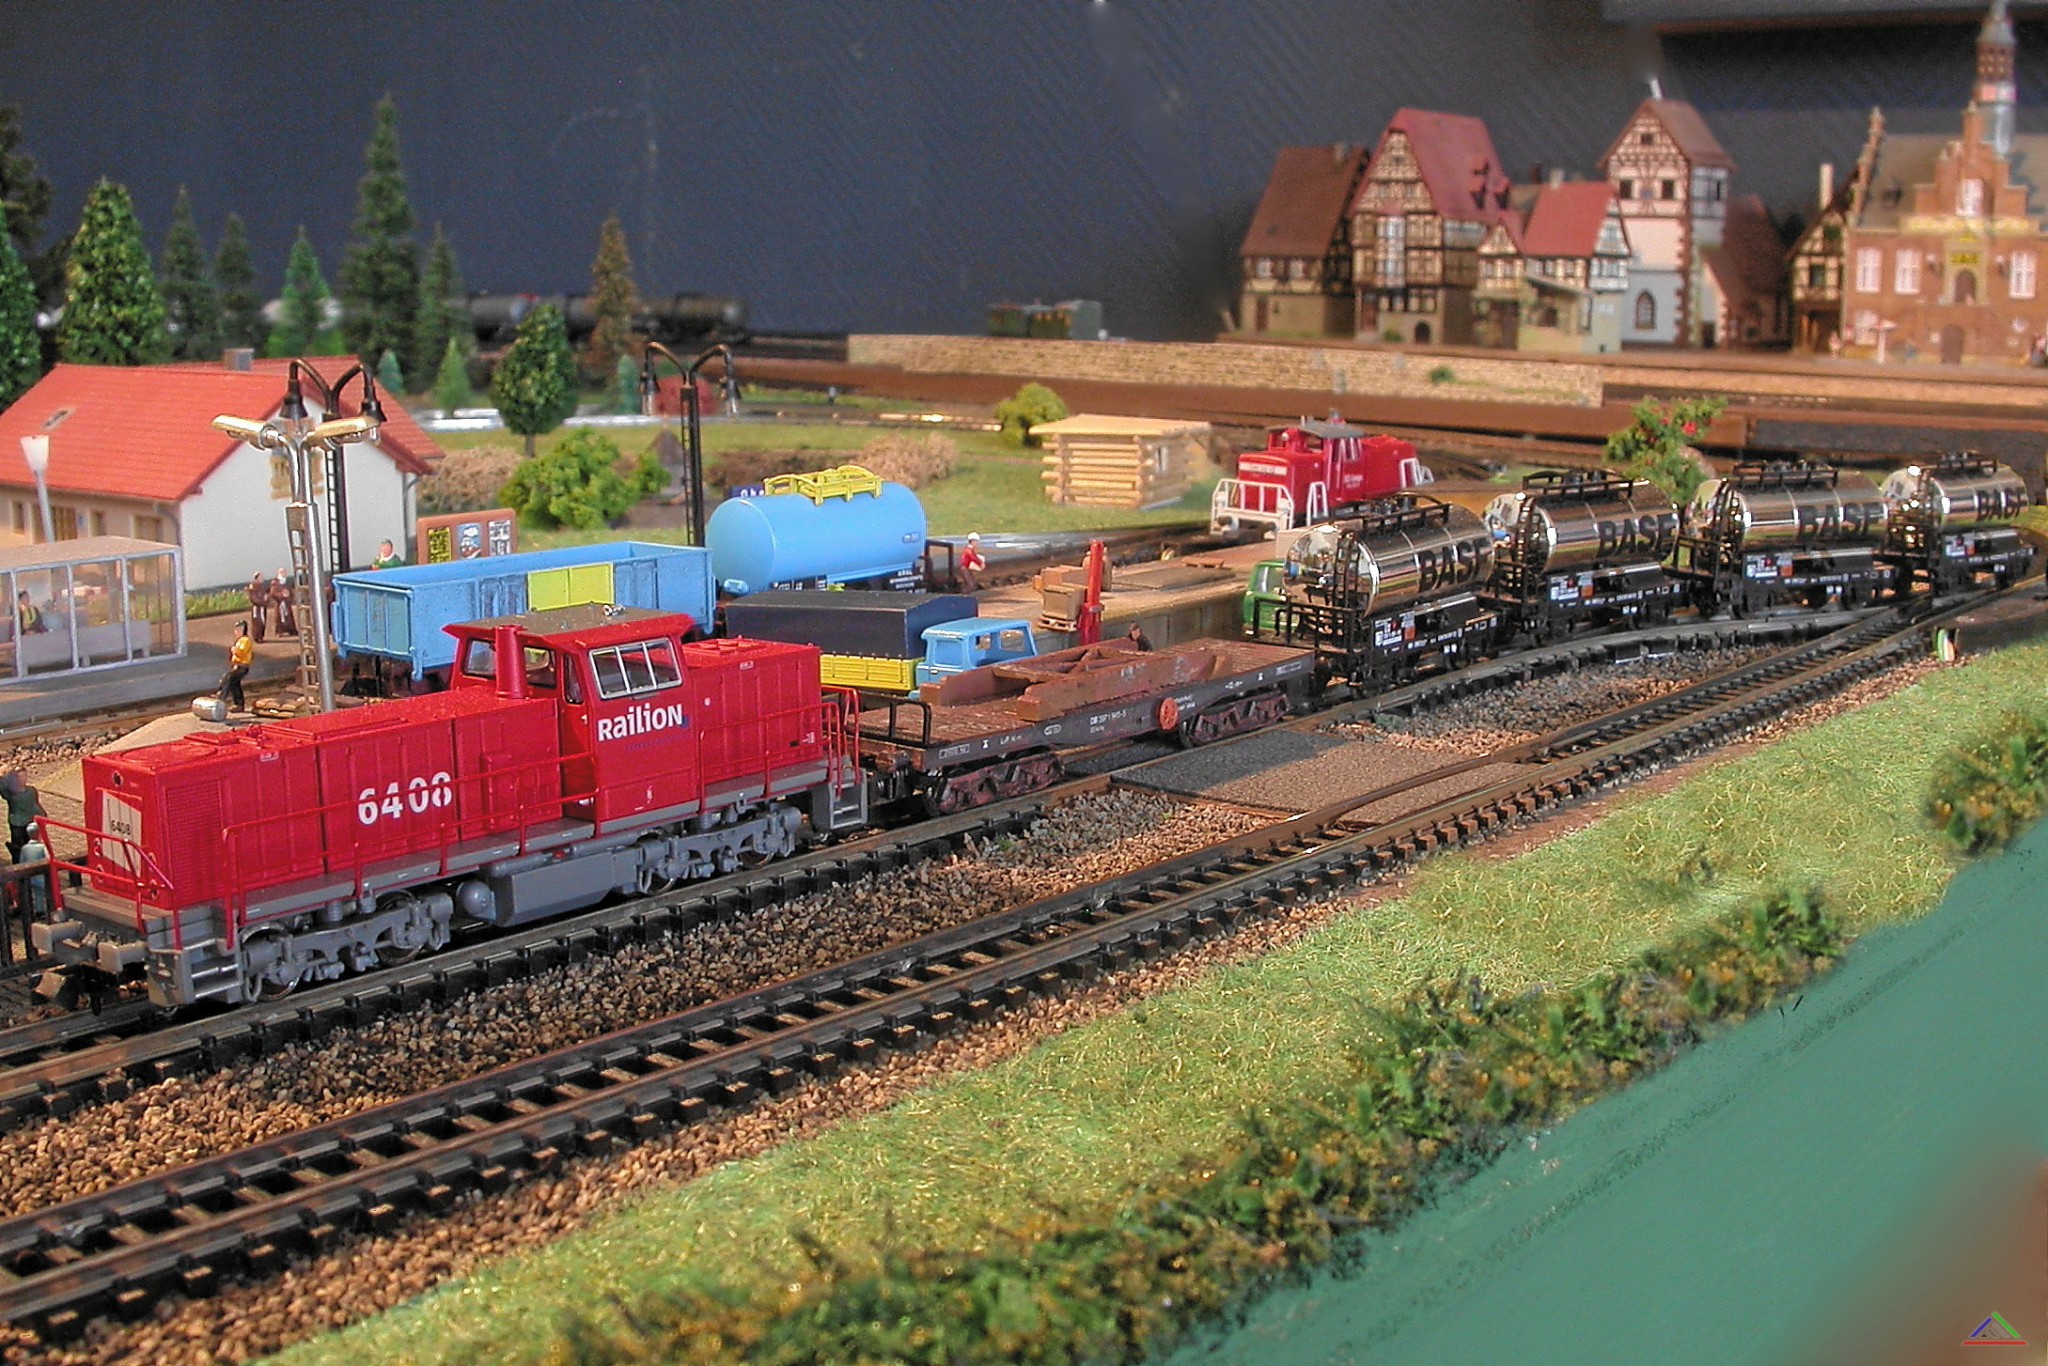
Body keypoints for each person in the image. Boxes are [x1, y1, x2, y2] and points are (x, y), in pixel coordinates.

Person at [3, 770, 44, 864]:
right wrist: (2, 776)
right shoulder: (11, 793)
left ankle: (29, 863)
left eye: (24, 776)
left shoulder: (31, 791)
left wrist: (42, 815)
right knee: (17, 847)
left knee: (30, 845)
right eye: (20, 777)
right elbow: (2, 788)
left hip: (29, 820)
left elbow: (35, 804)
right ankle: (17, 864)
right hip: (17, 823)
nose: (23, 779)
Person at [218, 620, 254, 712]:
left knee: (228, 677)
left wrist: (234, 650)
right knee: (235, 684)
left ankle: (222, 696)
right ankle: (239, 704)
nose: (236, 632)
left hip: (242, 666)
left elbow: (241, 652)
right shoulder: (240, 641)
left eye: (238, 630)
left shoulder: (245, 640)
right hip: (236, 665)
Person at [245, 571, 269, 643]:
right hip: (257, 608)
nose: (262, 578)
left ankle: (261, 636)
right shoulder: (253, 586)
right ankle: (257, 636)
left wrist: (266, 600)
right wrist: (262, 601)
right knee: (257, 622)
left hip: (262, 607)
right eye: (261, 577)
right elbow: (253, 598)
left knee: (262, 622)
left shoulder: (262, 586)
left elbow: (266, 595)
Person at [272, 570, 298, 637]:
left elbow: (290, 592)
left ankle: (291, 630)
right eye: (282, 572)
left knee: (289, 617)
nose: (284, 574)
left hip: (286, 604)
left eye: (284, 572)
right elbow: (273, 593)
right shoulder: (275, 583)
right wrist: (281, 595)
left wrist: (289, 596)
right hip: (280, 604)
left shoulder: (286, 582)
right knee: (279, 618)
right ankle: (279, 631)